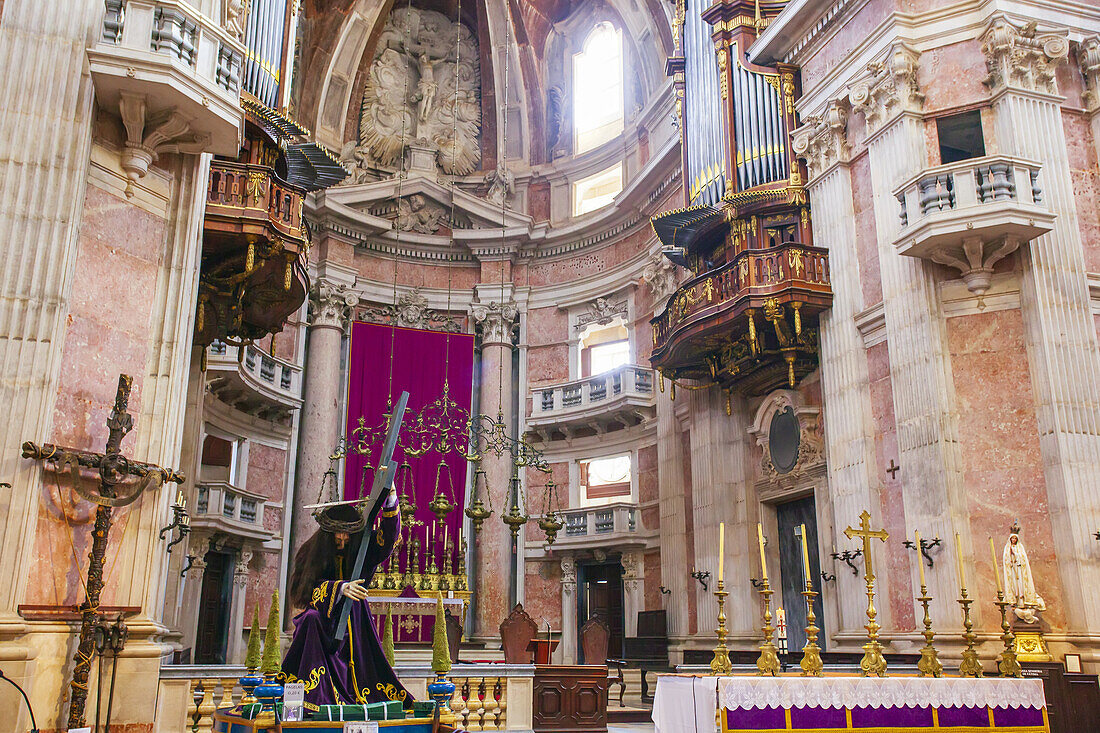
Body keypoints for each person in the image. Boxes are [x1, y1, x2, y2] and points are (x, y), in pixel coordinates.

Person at [282, 488, 412, 707]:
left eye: (347, 534)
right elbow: (304, 590)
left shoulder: (361, 548)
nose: (342, 538)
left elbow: (386, 541)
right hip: (322, 622)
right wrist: (339, 589)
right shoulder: (310, 551)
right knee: (309, 619)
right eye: (337, 533)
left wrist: (391, 499)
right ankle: (313, 696)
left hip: (355, 621)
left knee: (367, 676)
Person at [1002, 523, 1045, 624]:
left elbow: (1023, 559)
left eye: (1015, 539)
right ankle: (1016, 602)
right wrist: (1010, 556)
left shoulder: (1020, 548)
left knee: (1022, 586)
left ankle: (1024, 603)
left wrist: (1016, 555)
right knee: (1015, 587)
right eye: (1012, 539)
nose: (1013, 540)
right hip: (1013, 571)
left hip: (1020, 571)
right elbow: (1006, 560)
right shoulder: (1007, 549)